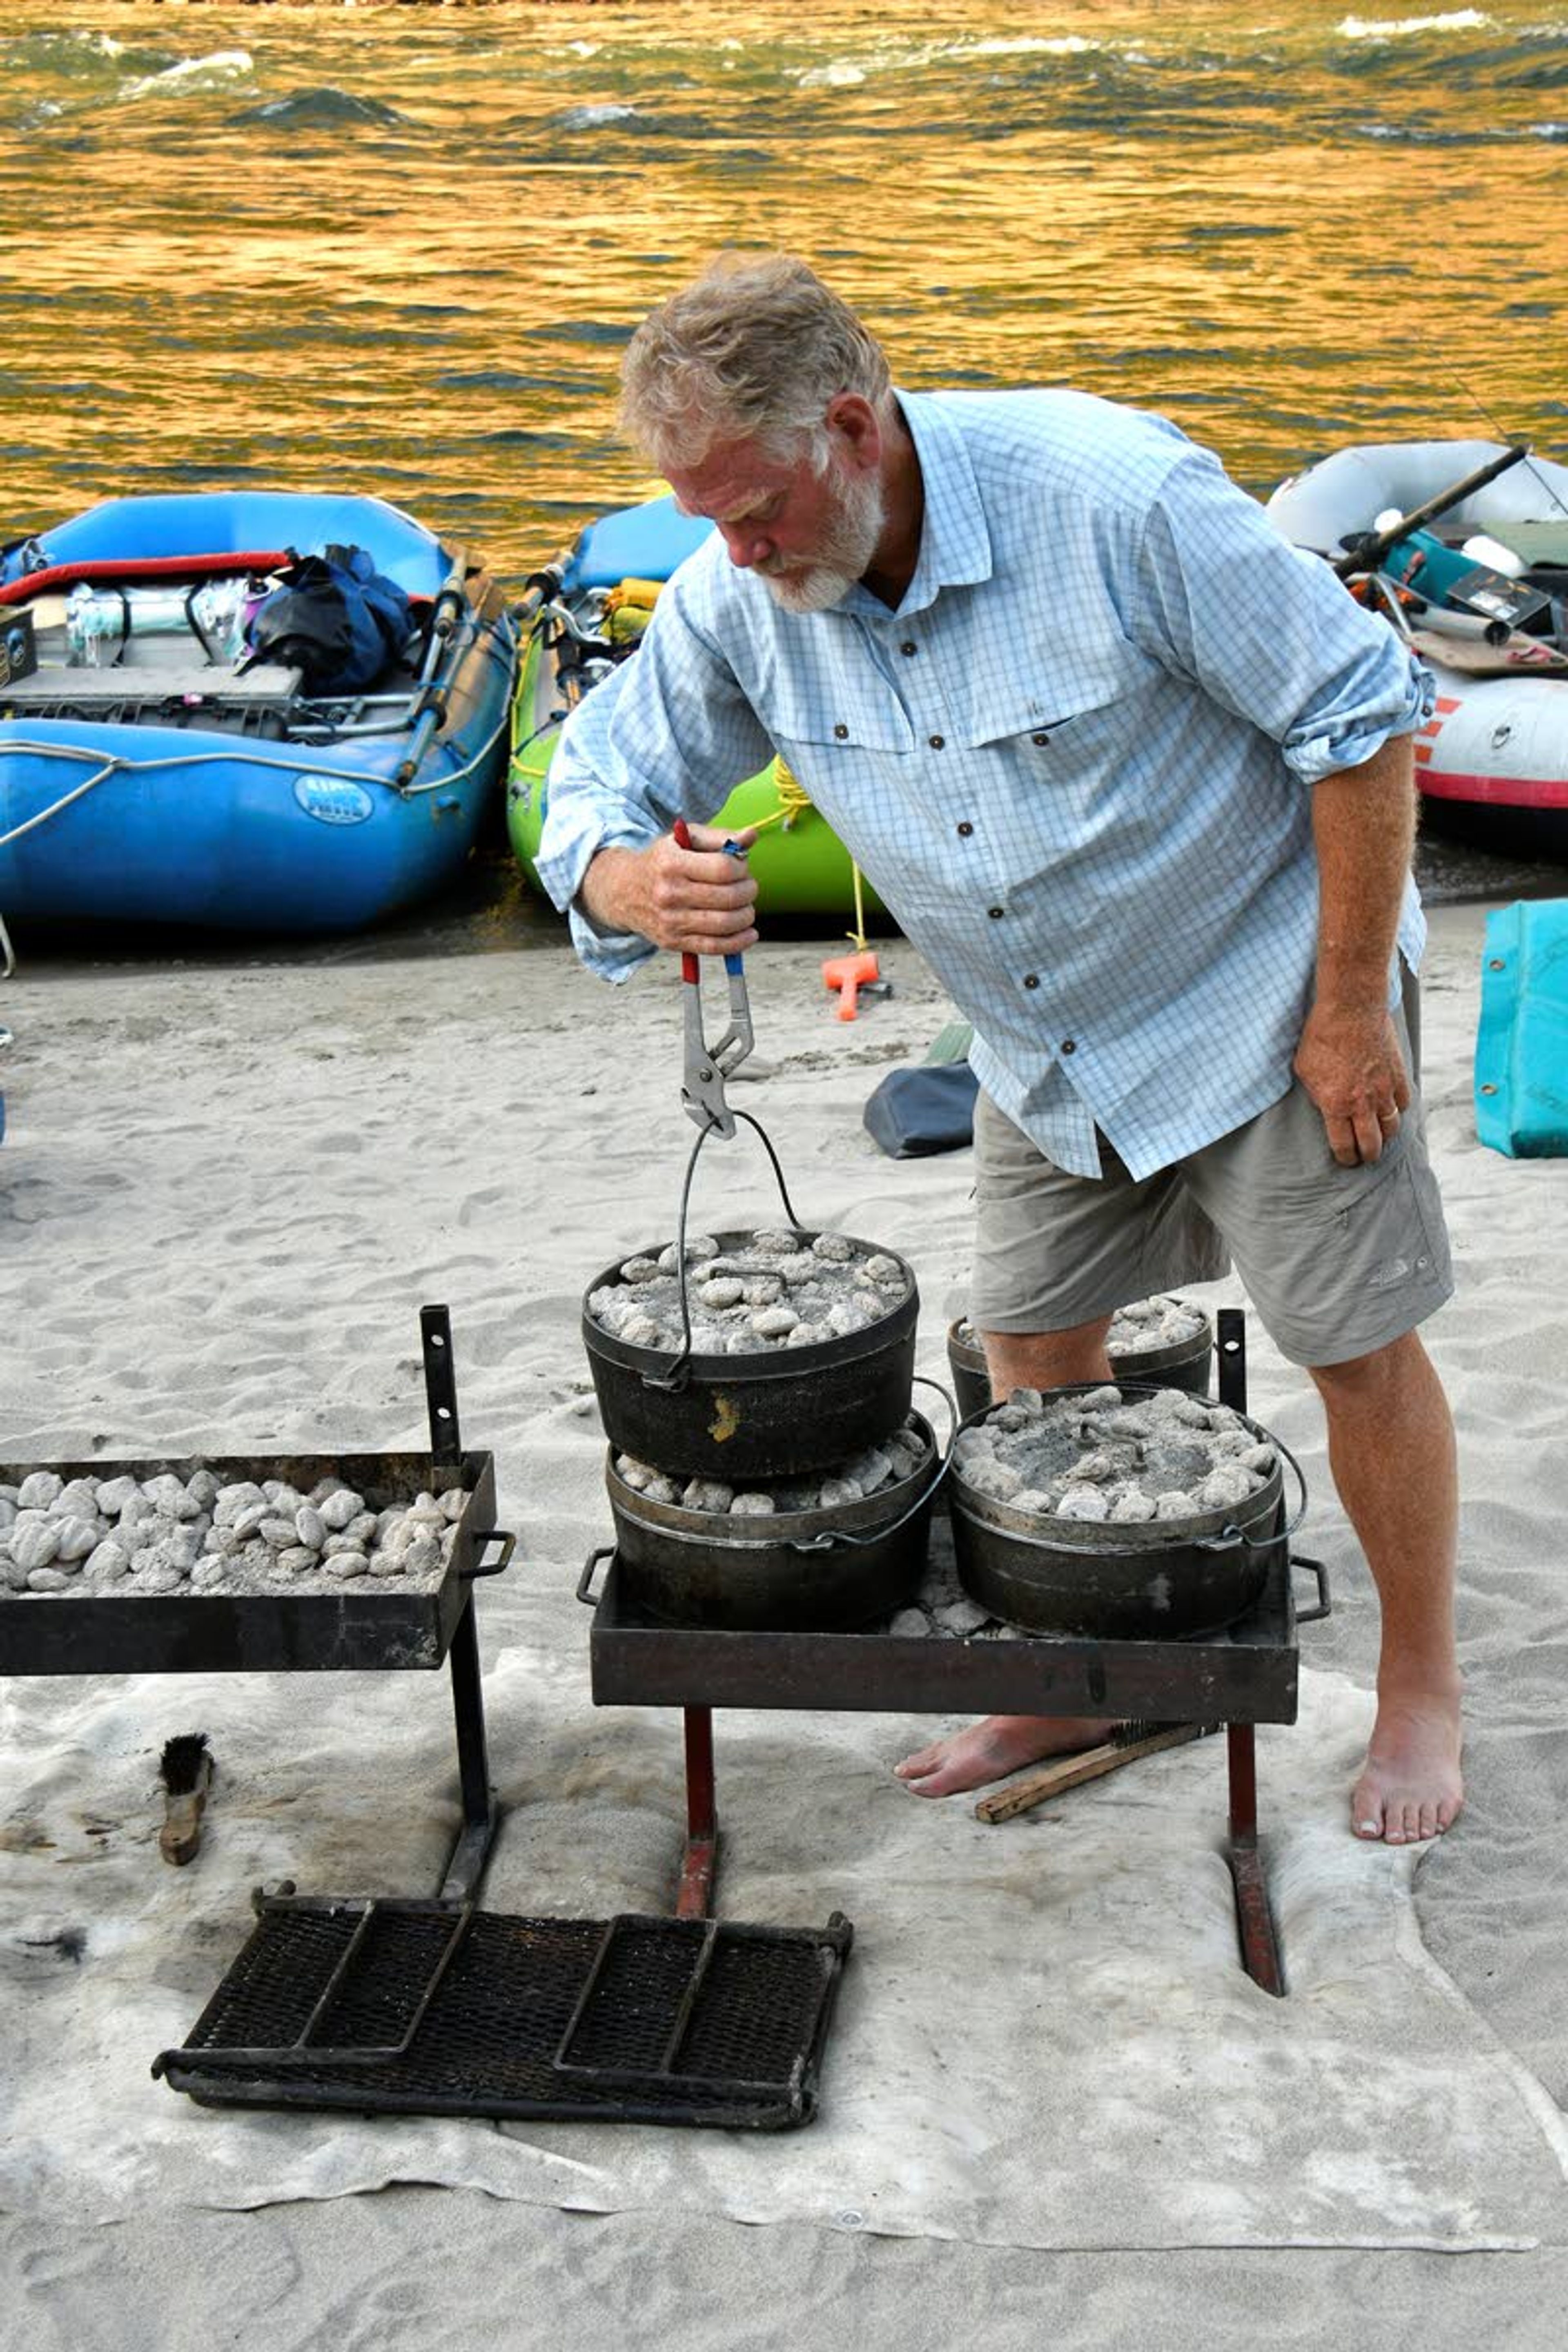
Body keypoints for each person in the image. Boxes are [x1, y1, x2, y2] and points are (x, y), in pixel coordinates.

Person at [536, 253, 1463, 1848]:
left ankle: (1423, 1681)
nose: (732, 556)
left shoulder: (1116, 498)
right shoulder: (738, 586)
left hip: (1267, 979)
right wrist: (621, 877)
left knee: (1353, 1340)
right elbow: (598, 785)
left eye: (752, 512)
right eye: (702, 519)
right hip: (1040, 1029)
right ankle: (1085, 1670)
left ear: (854, 426)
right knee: (1031, 1342)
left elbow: (1362, 721)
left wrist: (1348, 1009)